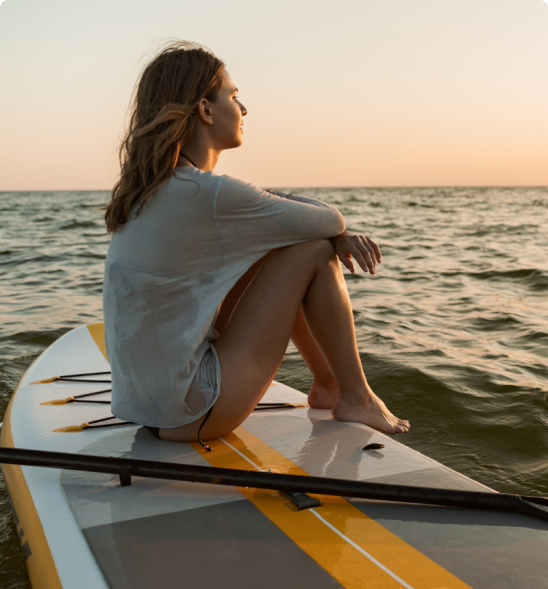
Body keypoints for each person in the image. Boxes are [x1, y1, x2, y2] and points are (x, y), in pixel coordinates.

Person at [103, 41, 410, 446]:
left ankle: (329, 386)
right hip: (197, 410)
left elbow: (274, 218)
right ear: (205, 110)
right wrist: (337, 235)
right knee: (315, 250)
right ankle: (353, 394)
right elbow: (329, 220)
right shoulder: (204, 194)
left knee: (276, 247)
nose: (243, 109)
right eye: (233, 96)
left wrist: (277, 206)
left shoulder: (154, 190)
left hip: (151, 411)